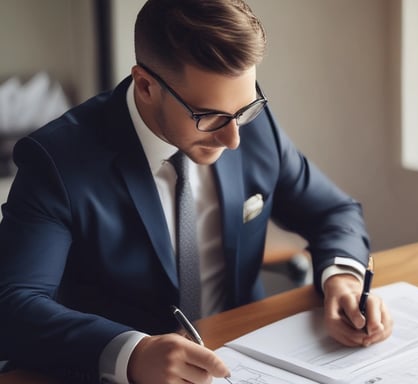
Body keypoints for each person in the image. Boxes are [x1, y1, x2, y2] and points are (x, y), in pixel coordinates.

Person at [0, 0, 393, 383]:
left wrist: (342, 279)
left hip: (247, 359)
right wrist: (131, 353)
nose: (234, 138)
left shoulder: (249, 124)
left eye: (245, 109)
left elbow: (333, 211)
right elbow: (15, 304)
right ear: (146, 85)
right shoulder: (57, 161)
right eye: (210, 117)